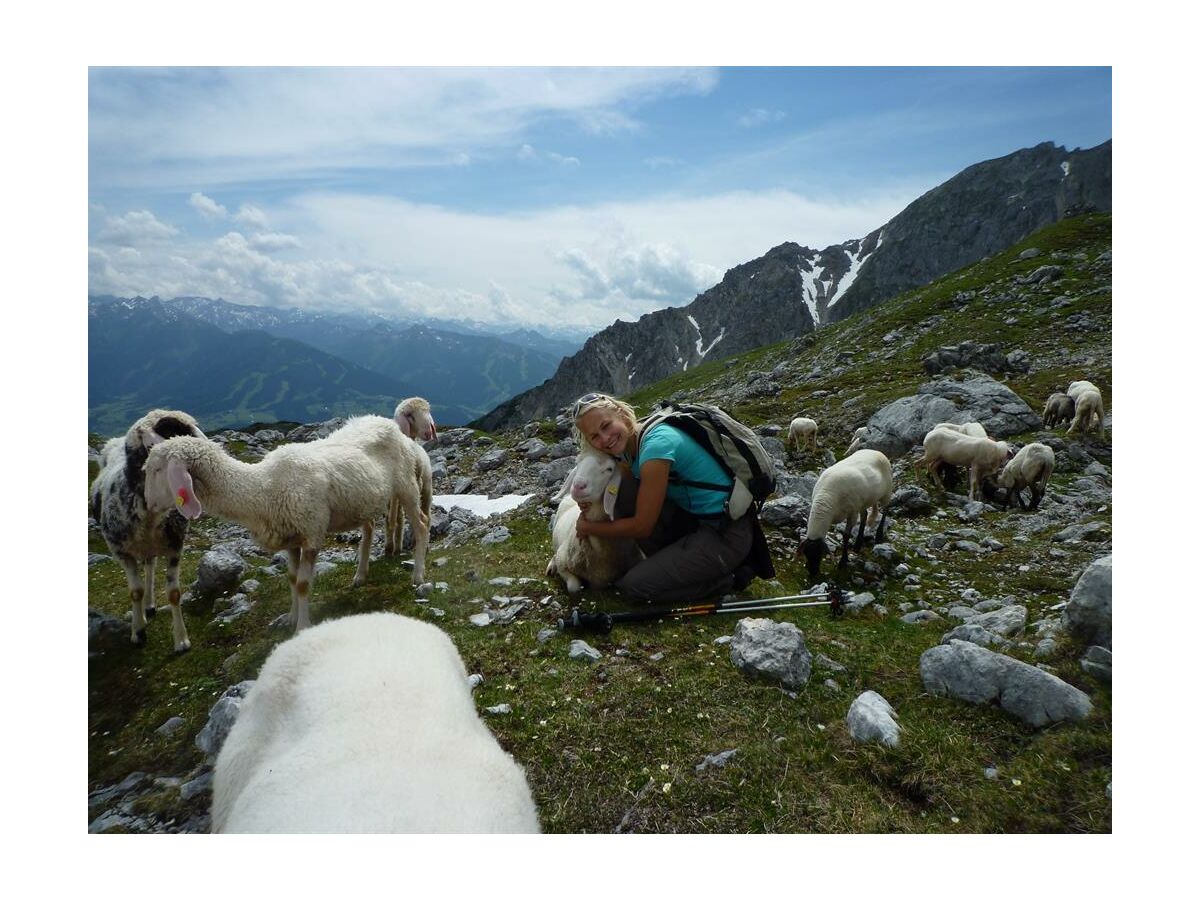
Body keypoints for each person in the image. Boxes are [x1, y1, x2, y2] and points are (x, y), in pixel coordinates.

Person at [570, 392, 759, 604]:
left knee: (635, 586)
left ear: (622, 414)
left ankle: (728, 579)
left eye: (606, 426)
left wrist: (588, 528)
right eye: (594, 436)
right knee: (625, 489)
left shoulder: (656, 446)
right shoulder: (631, 441)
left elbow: (642, 527)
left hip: (725, 535)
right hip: (693, 523)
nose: (604, 439)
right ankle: (672, 564)